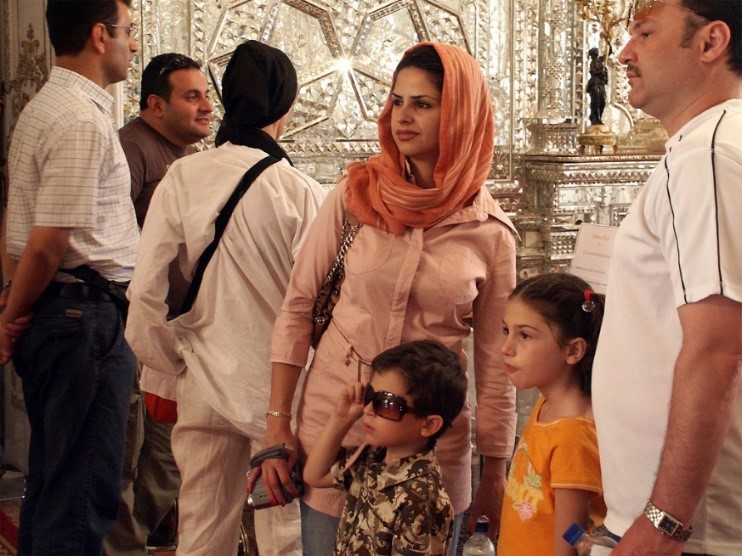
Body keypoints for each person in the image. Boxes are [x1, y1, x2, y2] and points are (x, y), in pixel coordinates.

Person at [255, 41, 518, 555]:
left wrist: (494, 473)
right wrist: (278, 421)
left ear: (459, 114)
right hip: (340, 425)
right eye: (397, 101)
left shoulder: (490, 232)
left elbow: (496, 364)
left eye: (423, 104)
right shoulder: (356, 195)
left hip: (430, 442)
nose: (403, 116)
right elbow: (299, 305)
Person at [125, 40, 325, 556]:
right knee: (285, 536)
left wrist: (172, 365)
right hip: (278, 394)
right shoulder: (299, 190)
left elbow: (144, 292)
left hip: (203, 381)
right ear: (284, 104)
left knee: (200, 532)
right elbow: (317, 305)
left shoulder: (184, 176)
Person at [593, 1, 742, 555]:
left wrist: (664, 522)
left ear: (710, 42)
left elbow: (717, 348)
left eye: (646, 33)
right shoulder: (712, 145)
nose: (624, 53)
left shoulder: (708, 155)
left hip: (692, 529)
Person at [0, 0, 140, 553]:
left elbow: (16, 223)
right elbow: (46, 243)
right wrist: (10, 318)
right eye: (129, 30)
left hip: (64, 313)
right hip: (82, 318)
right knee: (81, 495)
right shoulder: (80, 118)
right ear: (100, 35)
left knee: (54, 484)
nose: (134, 43)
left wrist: (12, 303)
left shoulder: (46, 104)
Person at [104, 52, 213, 556]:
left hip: (179, 330)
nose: (205, 106)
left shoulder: (190, 157)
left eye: (206, 95)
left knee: (169, 451)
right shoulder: (132, 149)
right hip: (134, 326)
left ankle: (141, 536)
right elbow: (114, 238)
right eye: (192, 96)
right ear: (155, 104)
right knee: (126, 452)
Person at [303, 340, 467, 555]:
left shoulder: (420, 499)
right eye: (370, 395)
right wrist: (341, 418)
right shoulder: (374, 456)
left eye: (387, 403)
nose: (368, 410)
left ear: (428, 425)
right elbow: (314, 475)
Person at [496, 273, 606, 556]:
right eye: (506, 331)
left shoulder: (572, 436)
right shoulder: (547, 404)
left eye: (525, 335)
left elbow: (570, 541)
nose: (506, 348)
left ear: (573, 350)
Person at [586, 47, 608, 126]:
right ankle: (596, 118)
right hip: (595, 83)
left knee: (603, 100)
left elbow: (608, 53)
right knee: (596, 101)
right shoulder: (592, 63)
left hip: (601, 83)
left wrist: (608, 43)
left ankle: (599, 117)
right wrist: (601, 72)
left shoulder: (600, 60)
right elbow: (593, 72)